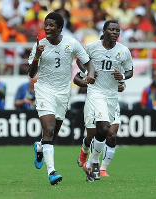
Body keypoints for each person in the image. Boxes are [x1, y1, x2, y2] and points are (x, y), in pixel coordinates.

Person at [28, 12, 95, 186]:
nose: (47, 28)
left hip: (63, 93)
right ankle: (52, 172)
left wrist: (91, 74)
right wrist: (36, 55)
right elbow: (31, 73)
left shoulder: (71, 43)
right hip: (44, 90)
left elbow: (87, 61)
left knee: (52, 135)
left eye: (51, 25)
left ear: (60, 28)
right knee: (48, 129)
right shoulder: (39, 45)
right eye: (46, 25)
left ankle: (40, 147)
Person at [81, 20, 133, 182]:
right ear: (104, 31)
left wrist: (122, 77)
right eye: (111, 29)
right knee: (103, 127)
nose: (115, 32)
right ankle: (95, 162)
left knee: (104, 131)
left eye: (118, 30)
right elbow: (80, 61)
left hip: (112, 95)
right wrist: (88, 71)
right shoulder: (91, 47)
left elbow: (130, 70)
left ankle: (91, 162)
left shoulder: (124, 51)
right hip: (96, 93)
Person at [73, 64, 126, 177]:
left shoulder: (117, 62)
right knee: (92, 136)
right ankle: (85, 150)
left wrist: (122, 86)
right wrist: (87, 79)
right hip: (94, 102)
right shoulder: (93, 64)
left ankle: (102, 168)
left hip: (112, 103)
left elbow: (123, 83)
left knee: (111, 135)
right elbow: (76, 79)